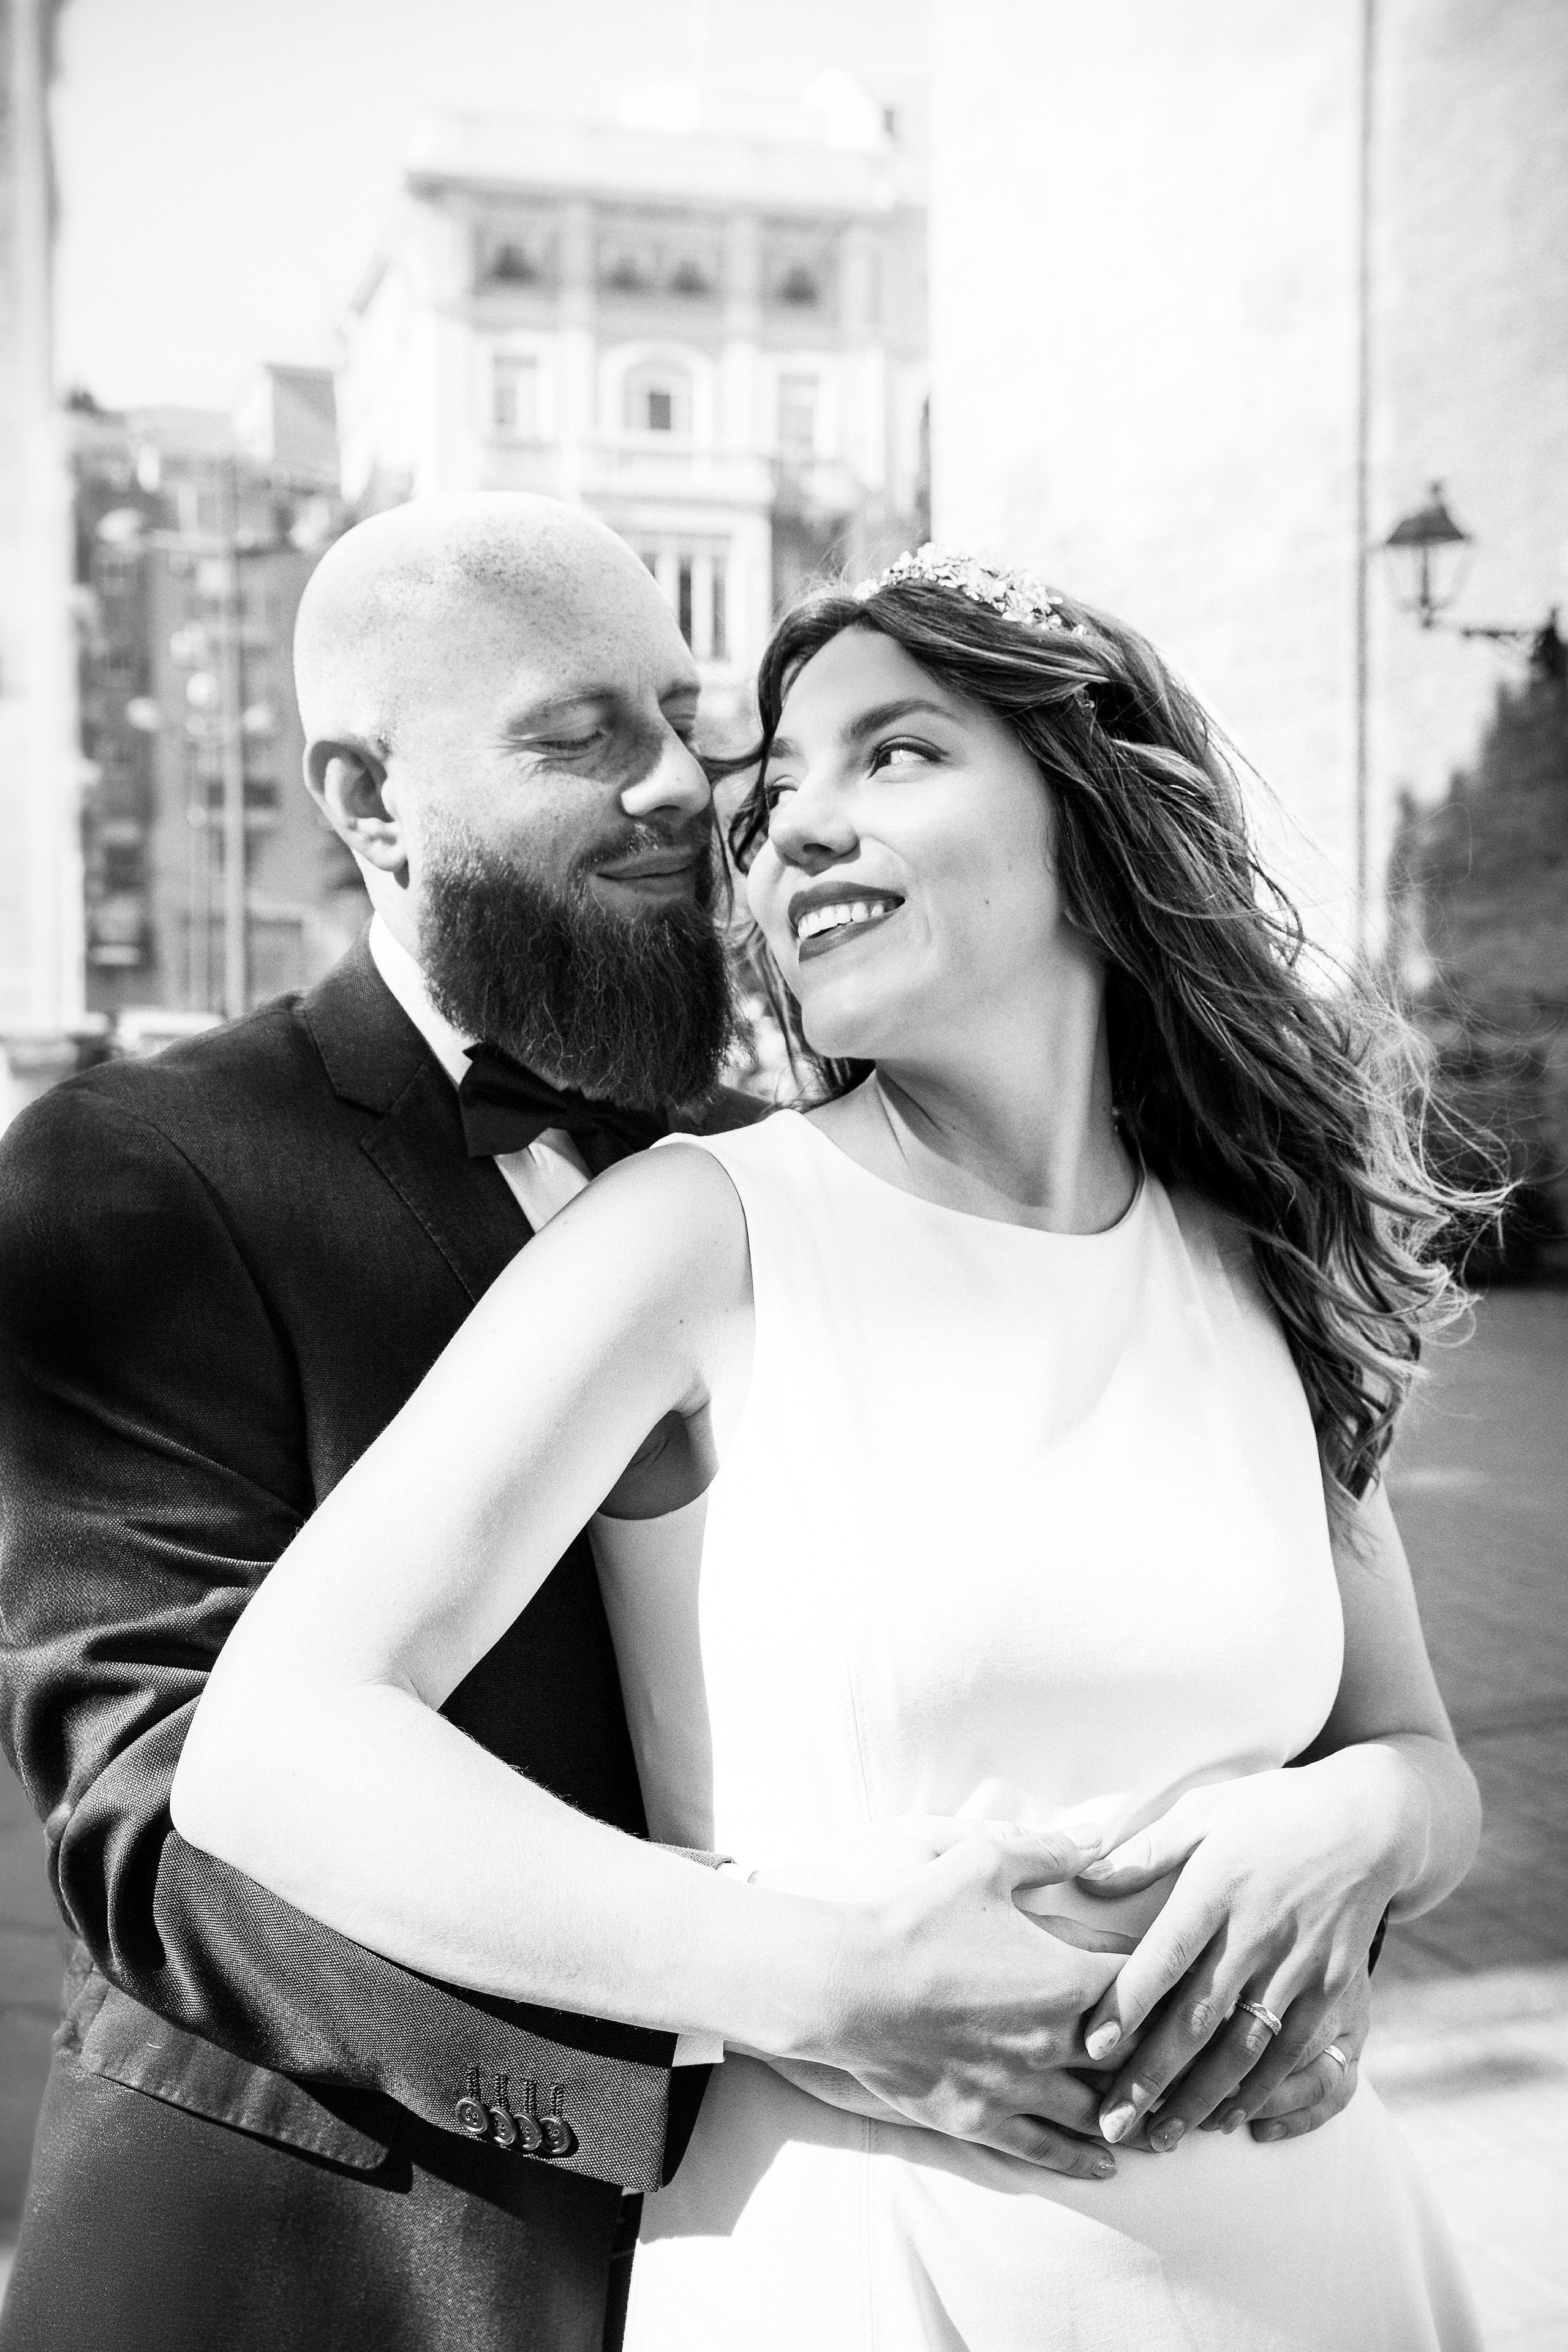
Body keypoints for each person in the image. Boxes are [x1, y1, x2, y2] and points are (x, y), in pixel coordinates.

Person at [170, 543, 1480, 2349]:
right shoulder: (691, 1235)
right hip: (881, 2259)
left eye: (894, 755)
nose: (788, 828)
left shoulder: (1257, 1265)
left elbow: (1415, 1750)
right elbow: (268, 1747)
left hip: (1315, 2254)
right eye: (776, 793)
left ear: (1095, 816)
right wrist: (826, 1975)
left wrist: (1352, 1825)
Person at [0, 499, 1130, 2352]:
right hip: (321, 2272)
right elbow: (158, 1827)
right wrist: (785, 1994)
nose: (684, 785)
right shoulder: (134, 1176)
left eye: (685, 717)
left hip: (799, 2248)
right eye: (580, 733)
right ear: (371, 801)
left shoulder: (766, 1169)